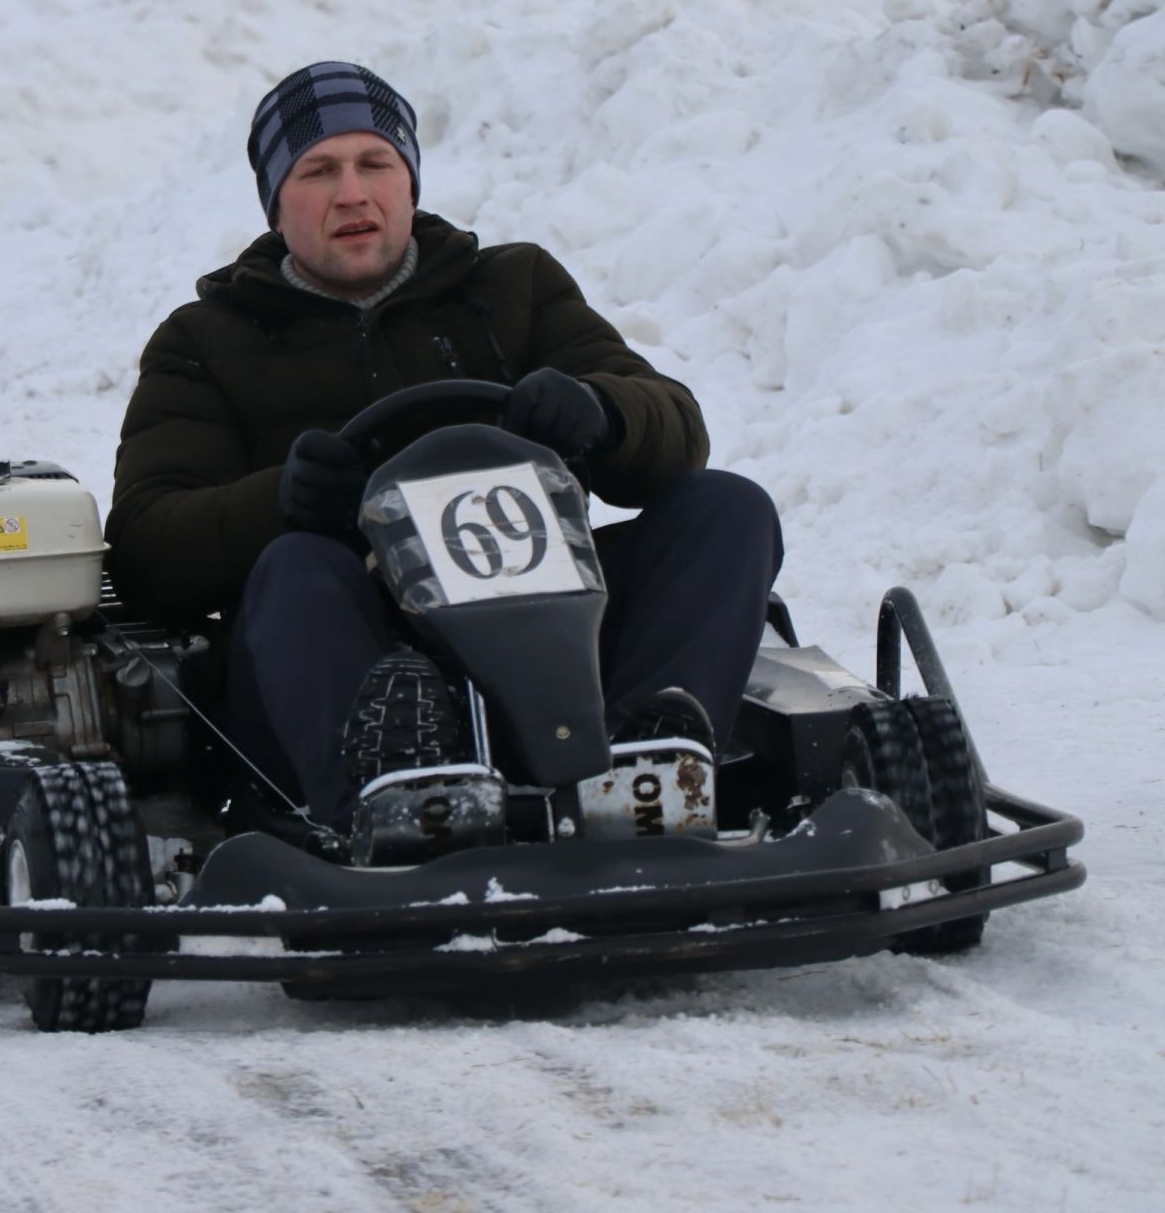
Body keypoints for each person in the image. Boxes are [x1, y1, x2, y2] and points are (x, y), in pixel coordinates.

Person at [104, 61, 783, 828]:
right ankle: (397, 801)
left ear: (410, 182)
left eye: (374, 164)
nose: (352, 193)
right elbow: (143, 552)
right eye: (318, 171)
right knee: (298, 564)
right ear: (275, 205)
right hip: (338, 658)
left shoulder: (514, 287)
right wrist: (280, 503)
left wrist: (602, 411)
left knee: (725, 506)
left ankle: (644, 765)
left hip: (554, 641)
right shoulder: (205, 342)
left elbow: (674, 429)